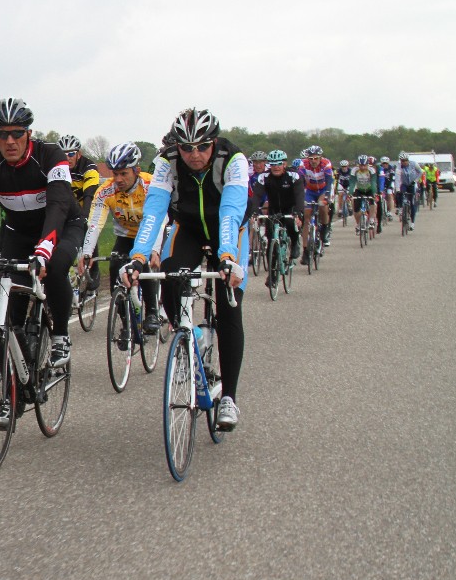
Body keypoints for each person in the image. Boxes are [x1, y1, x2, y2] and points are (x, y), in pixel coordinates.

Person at [0, 97, 84, 421]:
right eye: (2, 134)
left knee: (54, 270)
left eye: (17, 133)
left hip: (62, 226)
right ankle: (16, 394)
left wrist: (44, 250)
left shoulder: (50, 155)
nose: (10, 140)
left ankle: (60, 335)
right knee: (10, 318)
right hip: (17, 232)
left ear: (29, 133)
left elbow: (58, 206)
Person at [120, 107, 249, 431]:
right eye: (187, 148)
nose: (194, 154)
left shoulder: (233, 160)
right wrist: (138, 256)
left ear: (213, 142)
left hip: (229, 230)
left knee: (230, 305)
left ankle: (229, 398)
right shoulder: (167, 162)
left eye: (202, 146)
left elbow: (231, 210)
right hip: (188, 228)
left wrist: (227, 256)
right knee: (170, 277)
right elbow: (154, 211)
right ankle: (190, 338)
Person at [78, 142, 160, 335]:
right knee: (115, 266)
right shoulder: (106, 190)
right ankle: (125, 323)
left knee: (143, 265)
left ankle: (152, 313)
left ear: (136, 170)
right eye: (115, 174)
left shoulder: (151, 185)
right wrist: (87, 253)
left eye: (124, 173)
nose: (119, 179)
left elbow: (159, 218)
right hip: (126, 235)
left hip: (151, 233)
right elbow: (95, 224)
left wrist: (155, 249)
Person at [253, 150, 303, 284]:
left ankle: (295, 242)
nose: (276, 167)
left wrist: (298, 213)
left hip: (290, 209)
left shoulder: (294, 176)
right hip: (274, 210)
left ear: (284, 164)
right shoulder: (264, 177)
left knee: (291, 224)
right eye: (273, 164)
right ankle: (272, 274)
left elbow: (299, 195)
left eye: (279, 164)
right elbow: (256, 196)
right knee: (271, 241)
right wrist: (254, 212)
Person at [60, 134, 102, 292]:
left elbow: (89, 195)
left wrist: (84, 217)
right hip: (67, 208)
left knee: (89, 228)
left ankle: (95, 269)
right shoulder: (58, 167)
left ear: (79, 154)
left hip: (86, 204)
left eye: (71, 154)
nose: (67, 158)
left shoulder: (89, 167)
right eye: (63, 154)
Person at [298, 144, 333, 259]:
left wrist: (327, 196)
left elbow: (329, 181)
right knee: (306, 218)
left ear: (320, 157)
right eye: (311, 158)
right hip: (310, 191)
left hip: (323, 190)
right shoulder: (303, 164)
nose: (313, 161)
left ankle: (325, 228)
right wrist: (300, 196)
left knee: (323, 206)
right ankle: (305, 251)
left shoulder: (326, 163)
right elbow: (300, 180)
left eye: (316, 158)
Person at [349, 155, 379, 236]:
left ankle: (371, 219)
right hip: (359, 189)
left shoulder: (371, 170)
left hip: (369, 189)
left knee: (372, 202)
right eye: (361, 165)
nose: (362, 167)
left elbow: (373, 182)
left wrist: (374, 193)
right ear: (358, 164)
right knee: (356, 208)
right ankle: (359, 224)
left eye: (364, 165)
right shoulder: (354, 170)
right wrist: (350, 193)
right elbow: (352, 183)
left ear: (367, 164)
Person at [393, 152, 423, 231]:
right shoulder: (398, 167)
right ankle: (401, 208)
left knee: (412, 203)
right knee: (399, 193)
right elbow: (397, 179)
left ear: (408, 160)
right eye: (402, 161)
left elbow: (420, 172)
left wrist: (416, 180)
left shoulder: (414, 164)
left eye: (406, 160)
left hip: (412, 184)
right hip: (404, 184)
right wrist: (397, 189)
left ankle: (412, 222)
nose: (404, 162)